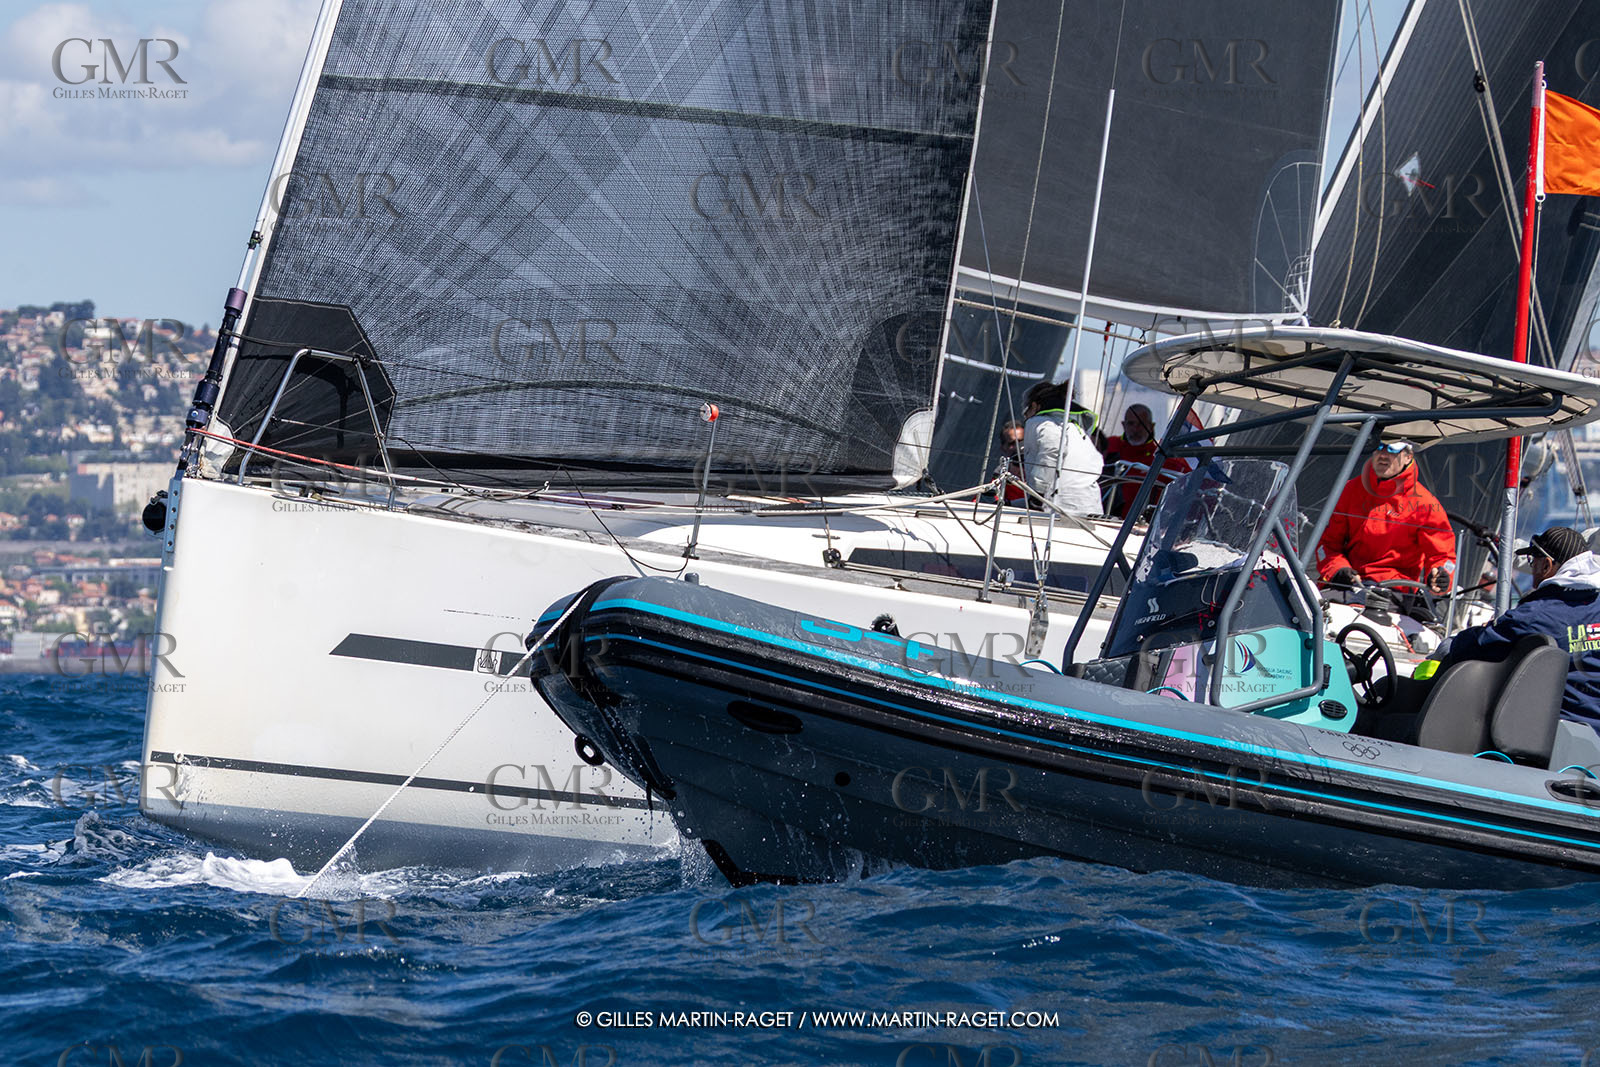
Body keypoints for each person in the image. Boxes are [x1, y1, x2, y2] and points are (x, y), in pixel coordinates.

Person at [1414, 526, 1600, 732]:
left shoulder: (1535, 614)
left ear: (1547, 565)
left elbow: (1471, 647)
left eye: (1533, 562)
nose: (1532, 570)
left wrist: (1445, 648)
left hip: (1548, 731)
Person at [1316, 438, 1455, 596]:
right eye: (1379, 447)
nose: (1383, 455)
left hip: (1393, 591)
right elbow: (1326, 545)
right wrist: (1337, 569)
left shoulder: (1425, 504)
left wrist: (1443, 576)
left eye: (1391, 450)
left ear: (1408, 457)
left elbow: (1444, 557)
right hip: (1345, 584)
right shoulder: (1350, 489)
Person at [1021, 381, 1103, 515]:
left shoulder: (1039, 422)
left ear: (1035, 406)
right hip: (1090, 507)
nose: (1025, 417)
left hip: (1059, 510)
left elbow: (1053, 450)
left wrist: (1037, 495)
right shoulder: (1076, 429)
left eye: (1026, 412)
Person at [1100, 403, 1187, 518]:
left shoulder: (1164, 456)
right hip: (1104, 519)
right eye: (1131, 423)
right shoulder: (1108, 446)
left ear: (1151, 426)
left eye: (1141, 424)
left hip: (1144, 525)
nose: (1135, 429)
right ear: (1123, 425)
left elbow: (1187, 481)